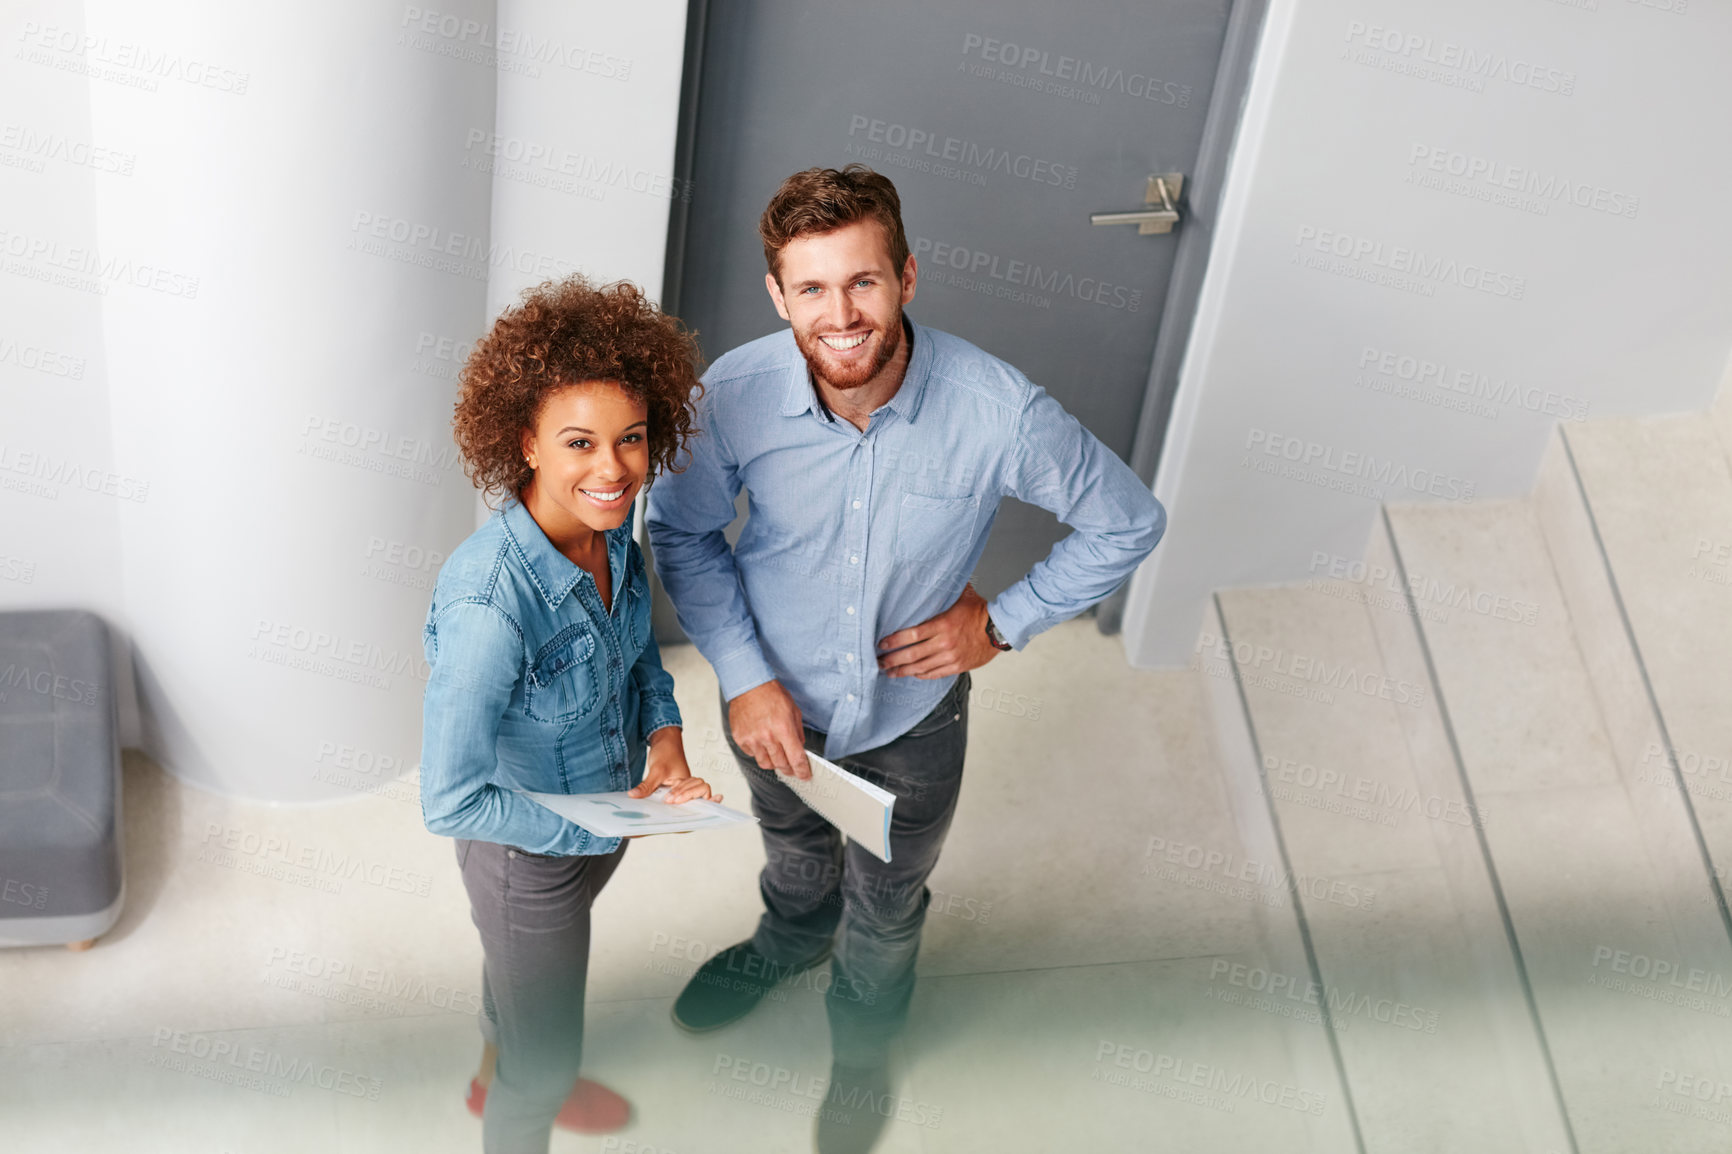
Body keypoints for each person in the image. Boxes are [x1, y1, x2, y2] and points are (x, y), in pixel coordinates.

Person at [646, 164, 1166, 1152]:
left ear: (907, 278)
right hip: (769, 705)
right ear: (777, 294)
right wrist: (746, 677)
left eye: (863, 282)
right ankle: (787, 940)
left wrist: (1004, 622)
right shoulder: (730, 399)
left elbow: (1127, 519)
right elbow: (682, 538)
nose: (839, 314)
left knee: (887, 908)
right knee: (794, 850)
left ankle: (864, 1038)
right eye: (811, 288)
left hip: (911, 724)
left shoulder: (997, 409)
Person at [419, 276, 718, 1154]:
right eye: (580, 443)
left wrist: (663, 738)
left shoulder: (612, 531)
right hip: (530, 858)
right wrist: (589, 830)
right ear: (526, 445)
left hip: (608, 816)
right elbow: (450, 801)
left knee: (516, 987)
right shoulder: (489, 604)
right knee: (542, 1071)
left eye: (630, 440)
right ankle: (519, 1090)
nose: (614, 469)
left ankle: (489, 1074)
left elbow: (636, 660)